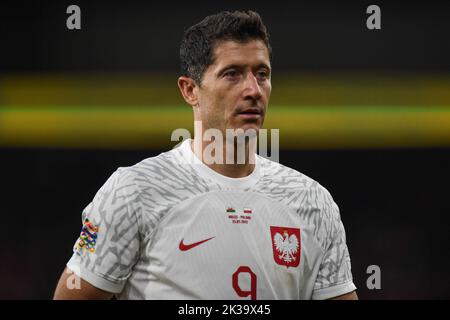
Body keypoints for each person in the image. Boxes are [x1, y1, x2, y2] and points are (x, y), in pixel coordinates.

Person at [53, 10, 357, 300]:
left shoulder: (312, 201)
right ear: (190, 90)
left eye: (261, 74)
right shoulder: (134, 192)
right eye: (233, 74)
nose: (253, 89)